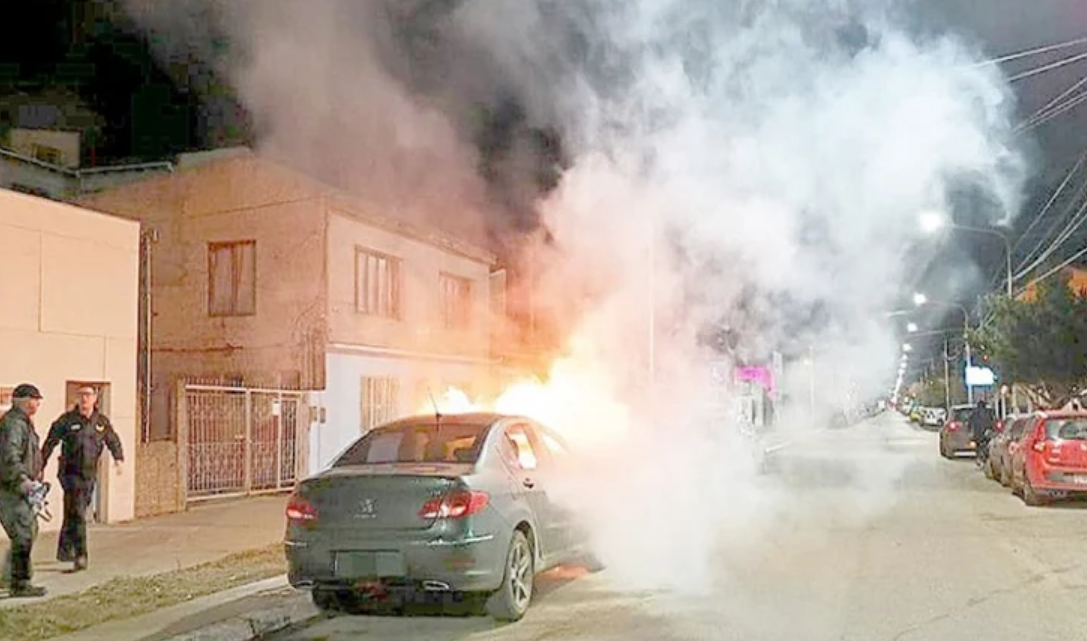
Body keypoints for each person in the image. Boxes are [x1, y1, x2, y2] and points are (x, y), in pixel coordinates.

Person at [41, 385, 123, 572]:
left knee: (73, 511)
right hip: (70, 474)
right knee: (78, 513)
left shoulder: (100, 421)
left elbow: (112, 440)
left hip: (89, 474)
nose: (84, 399)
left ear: (95, 398)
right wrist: (41, 464)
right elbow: (50, 441)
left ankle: (64, 549)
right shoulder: (67, 420)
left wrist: (119, 459)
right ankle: (81, 555)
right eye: (81, 395)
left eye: (88, 395)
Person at [0, 384, 47, 597]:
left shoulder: (22, 423)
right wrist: (23, 479)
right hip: (11, 489)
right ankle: (20, 584)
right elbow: (10, 455)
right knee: (24, 533)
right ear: (25, 400)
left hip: (19, 488)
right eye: (35, 399)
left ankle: (8, 578)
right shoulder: (14, 424)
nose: (37, 403)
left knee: (27, 531)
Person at [968, 399, 995, 465]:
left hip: (977, 434)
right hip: (986, 433)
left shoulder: (974, 413)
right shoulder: (988, 412)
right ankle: (985, 457)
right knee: (987, 445)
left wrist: (970, 431)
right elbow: (992, 422)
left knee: (977, 445)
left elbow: (970, 423)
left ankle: (978, 458)